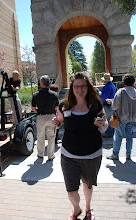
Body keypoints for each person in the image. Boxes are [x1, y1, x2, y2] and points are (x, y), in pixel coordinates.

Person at [52, 72, 108, 220]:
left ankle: (89, 208)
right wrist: (56, 123)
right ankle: (77, 209)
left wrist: (103, 124)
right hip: (69, 153)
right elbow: (59, 123)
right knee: (71, 190)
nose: (80, 89)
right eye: (76, 86)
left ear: (88, 87)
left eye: (83, 85)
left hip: (92, 153)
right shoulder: (65, 105)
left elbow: (105, 125)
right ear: (72, 88)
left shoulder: (95, 105)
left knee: (87, 185)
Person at [107, 74, 136, 160]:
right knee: (129, 136)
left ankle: (115, 154)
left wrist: (111, 102)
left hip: (121, 118)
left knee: (118, 136)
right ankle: (128, 154)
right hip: (132, 118)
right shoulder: (135, 92)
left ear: (124, 82)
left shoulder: (121, 92)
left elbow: (115, 106)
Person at [32, 75, 59, 160]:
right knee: (51, 137)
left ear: (41, 83)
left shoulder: (36, 94)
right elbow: (56, 107)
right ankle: (50, 155)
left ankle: (40, 154)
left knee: (40, 136)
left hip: (40, 117)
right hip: (51, 116)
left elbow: (33, 108)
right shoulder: (54, 94)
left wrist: (39, 111)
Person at [98, 73, 116, 137]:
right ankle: (112, 132)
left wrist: (99, 94)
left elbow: (103, 97)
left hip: (107, 105)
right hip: (112, 104)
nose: (103, 81)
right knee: (111, 118)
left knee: (108, 119)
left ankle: (109, 133)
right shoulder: (112, 85)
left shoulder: (107, 87)